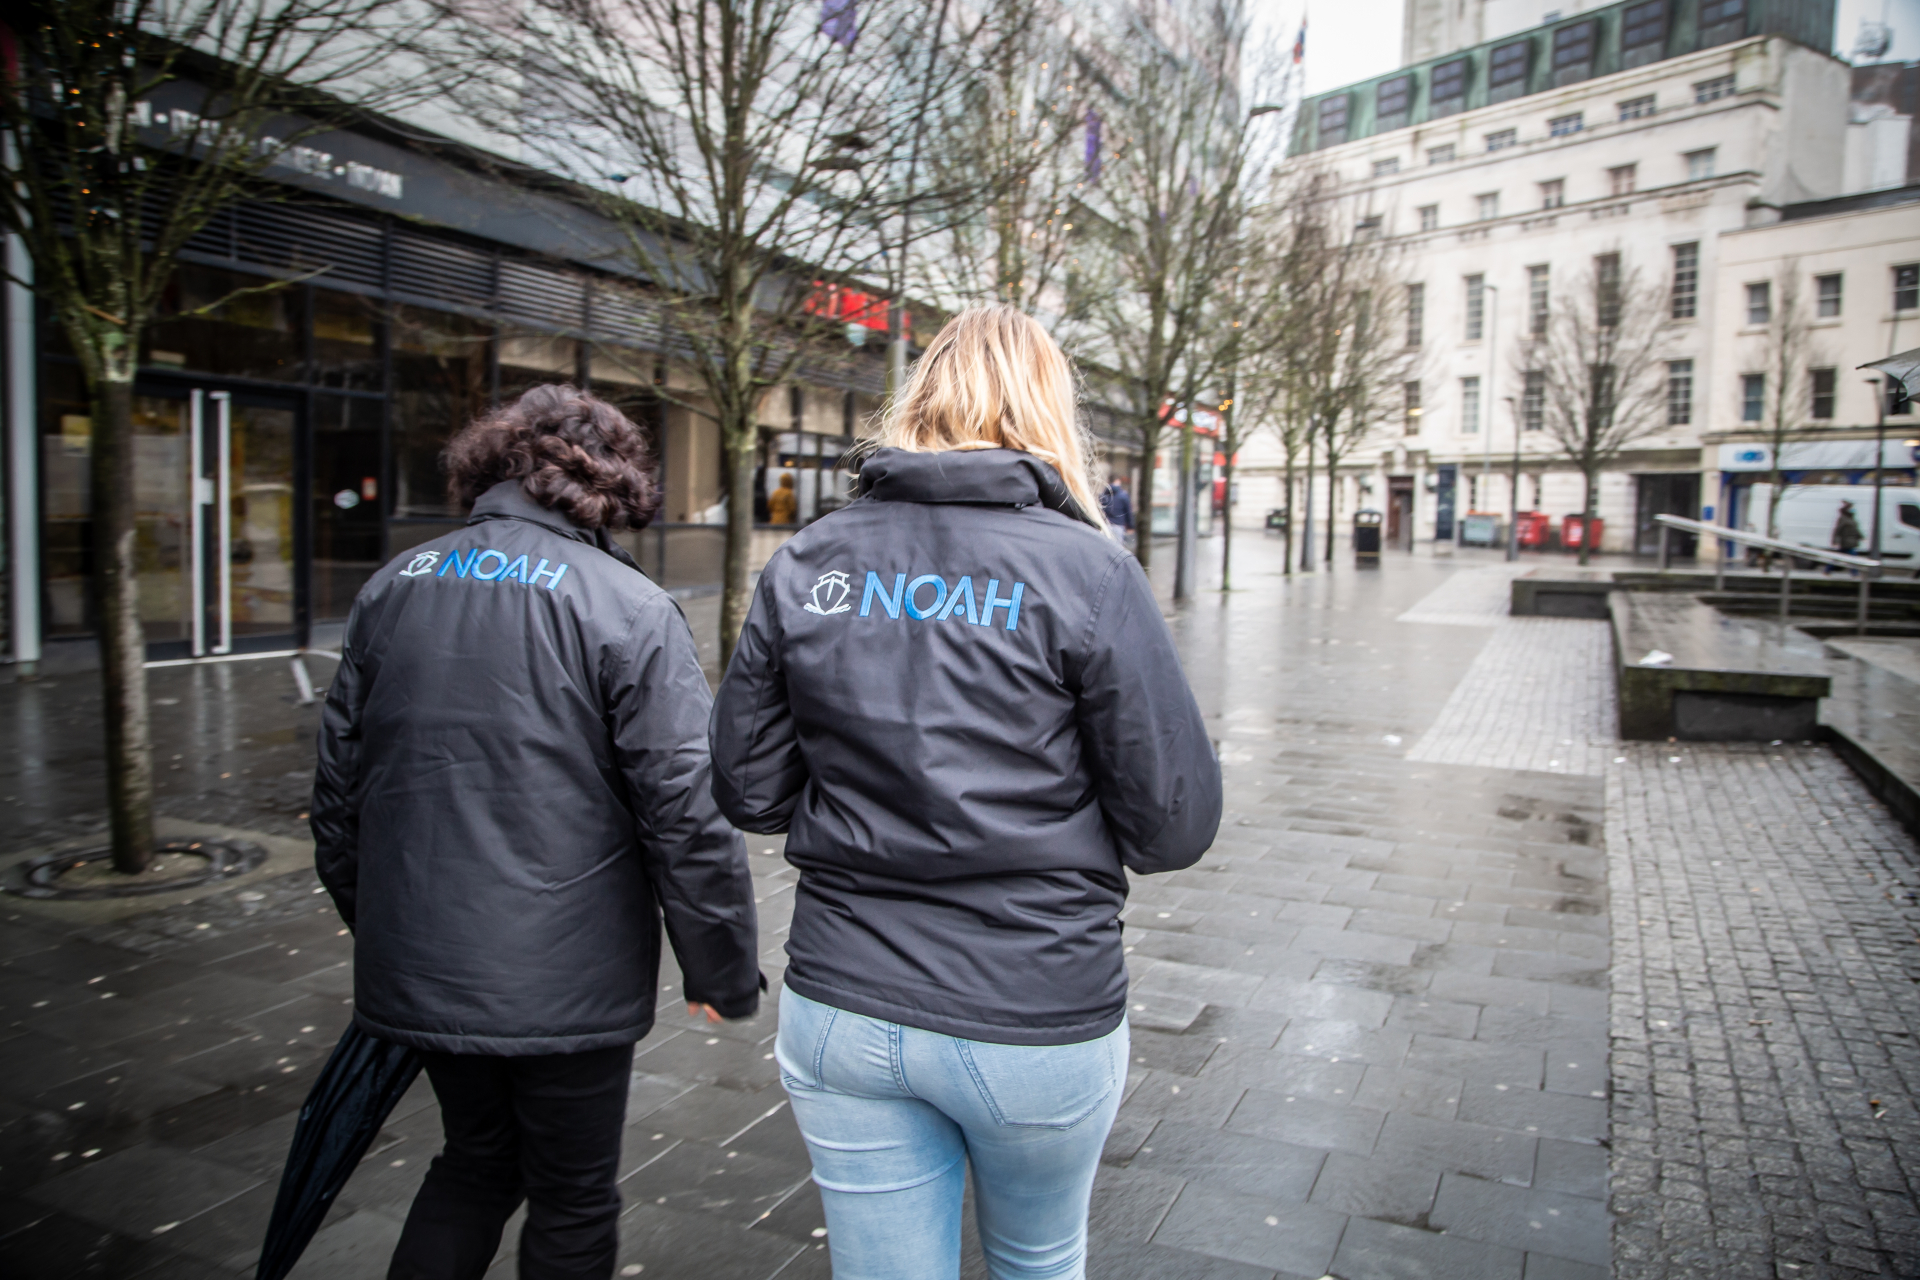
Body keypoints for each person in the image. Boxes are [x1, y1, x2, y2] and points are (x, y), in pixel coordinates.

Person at [709, 307, 1222, 1280]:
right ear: (1047, 412)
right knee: (1036, 1258)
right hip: (1032, 1000)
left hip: (845, 999)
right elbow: (1173, 824)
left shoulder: (810, 560)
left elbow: (747, 788)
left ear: (919, 403)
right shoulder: (1090, 570)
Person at [311, 384, 761, 1280]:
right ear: (616, 485)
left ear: (491, 463)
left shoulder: (394, 586)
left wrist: (389, 930)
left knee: (473, 1166)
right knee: (572, 1194)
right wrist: (721, 972)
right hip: (569, 982)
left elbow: (338, 797)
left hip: (425, 962)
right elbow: (686, 816)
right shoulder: (626, 607)